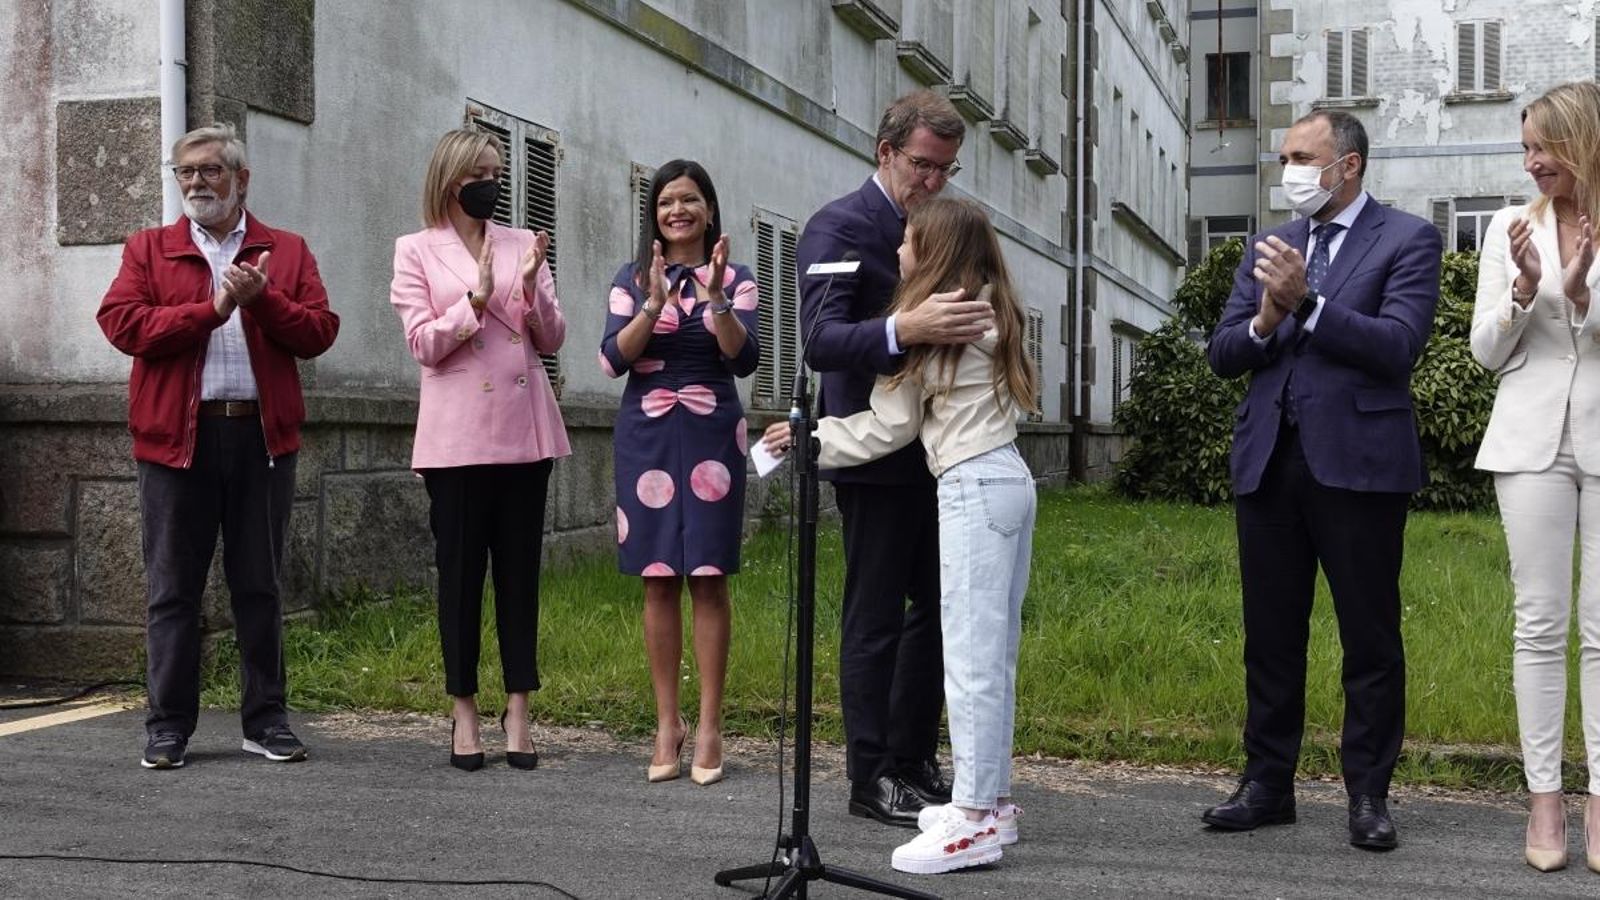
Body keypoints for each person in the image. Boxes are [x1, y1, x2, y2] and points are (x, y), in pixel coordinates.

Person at [765, 196, 1037, 875]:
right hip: (1007, 478)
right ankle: (992, 802)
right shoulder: (990, 304)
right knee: (991, 655)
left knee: (971, 664)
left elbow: (890, 424)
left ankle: (973, 820)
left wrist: (812, 436)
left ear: (935, 253)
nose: (895, 254)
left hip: (974, 484)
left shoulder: (945, 323)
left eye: (908, 244)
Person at [1202, 110, 1441, 850]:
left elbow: (1398, 346)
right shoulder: (1271, 244)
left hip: (1361, 465)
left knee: (1369, 638)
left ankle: (1368, 794)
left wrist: (1308, 303)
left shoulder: (1408, 239)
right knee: (1270, 636)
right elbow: (1223, 352)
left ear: (1349, 165)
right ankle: (1267, 784)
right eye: (1285, 158)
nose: (1290, 172)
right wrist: (1267, 320)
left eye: (1303, 157)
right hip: (1271, 458)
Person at [96, 123, 340, 769]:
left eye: (210, 170)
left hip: (259, 436)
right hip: (178, 441)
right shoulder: (148, 249)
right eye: (186, 172)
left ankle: (265, 722)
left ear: (241, 178)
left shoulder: (283, 250)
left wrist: (262, 305)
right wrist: (211, 309)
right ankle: (168, 727)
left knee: (258, 586)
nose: (197, 182)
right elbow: (122, 324)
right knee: (172, 590)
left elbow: (319, 331)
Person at [796, 88, 996, 827]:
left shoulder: (939, 224)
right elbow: (820, 340)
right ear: (885, 152)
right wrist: (905, 326)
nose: (934, 181)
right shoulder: (840, 226)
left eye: (946, 169)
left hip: (940, 455)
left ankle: (912, 758)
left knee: (938, 611)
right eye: (923, 166)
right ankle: (868, 773)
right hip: (872, 454)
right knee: (874, 616)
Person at [389, 128, 570, 771]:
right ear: (450, 180)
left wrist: (533, 289)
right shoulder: (416, 250)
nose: (492, 182)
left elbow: (550, 337)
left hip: (524, 430)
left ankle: (518, 707)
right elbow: (422, 345)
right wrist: (476, 302)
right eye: (480, 173)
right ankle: (463, 707)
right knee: (461, 576)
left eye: (498, 171)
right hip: (457, 436)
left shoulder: (522, 243)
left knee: (520, 575)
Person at [1470, 81, 1600, 874]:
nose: (1532, 163)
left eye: (1543, 147)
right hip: (1529, 444)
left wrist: (1583, 292)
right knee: (1540, 623)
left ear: (1582, 139)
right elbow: (1487, 352)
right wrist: (1524, 290)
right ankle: (1545, 796)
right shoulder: (1507, 226)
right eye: (1525, 149)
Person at [598, 160, 759, 786]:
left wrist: (715, 296)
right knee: (658, 578)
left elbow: (742, 357)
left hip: (715, 432)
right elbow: (612, 359)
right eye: (666, 202)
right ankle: (668, 723)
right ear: (654, 215)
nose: (678, 211)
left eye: (690, 200)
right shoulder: (632, 277)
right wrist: (654, 304)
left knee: (710, 577)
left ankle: (712, 724)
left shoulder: (738, 278)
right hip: (646, 435)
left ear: (709, 211)